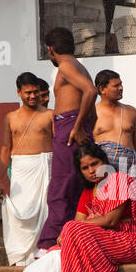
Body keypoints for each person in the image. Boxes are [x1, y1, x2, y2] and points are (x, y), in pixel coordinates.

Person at [59, 142, 136, 272]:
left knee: (71, 229)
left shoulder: (119, 179)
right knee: (61, 243)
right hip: (104, 241)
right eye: (85, 168)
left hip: (130, 241)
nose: (91, 171)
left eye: (95, 164)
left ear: (104, 161)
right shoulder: (88, 192)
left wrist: (75, 227)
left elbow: (110, 221)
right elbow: (78, 224)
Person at [37, 27, 97, 252]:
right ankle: (70, 238)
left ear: (50, 49)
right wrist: (86, 128)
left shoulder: (66, 66)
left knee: (60, 187)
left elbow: (90, 92)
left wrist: (77, 126)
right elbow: (92, 107)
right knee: (76, 186)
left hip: (70, 127)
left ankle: (50, 243)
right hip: (76, 125)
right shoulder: (81, 66)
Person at [0, 72, 54, 266]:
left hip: (44, 167)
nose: (33, 96)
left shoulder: (50, 115)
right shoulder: (10, 118)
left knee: (46, 211)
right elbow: (5, 149)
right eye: (28, 92)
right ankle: (21, 257)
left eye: (36, 92)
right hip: (21, 170)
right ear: (18, 93)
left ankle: (43, 253)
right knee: (20, 213)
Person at [93, 71, 136, 178]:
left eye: (121, 84)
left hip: (131, 172)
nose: (121, 88)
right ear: (102, 89)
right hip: (104, 174)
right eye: (116, 86)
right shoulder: (92, 113)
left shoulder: (131, 111)